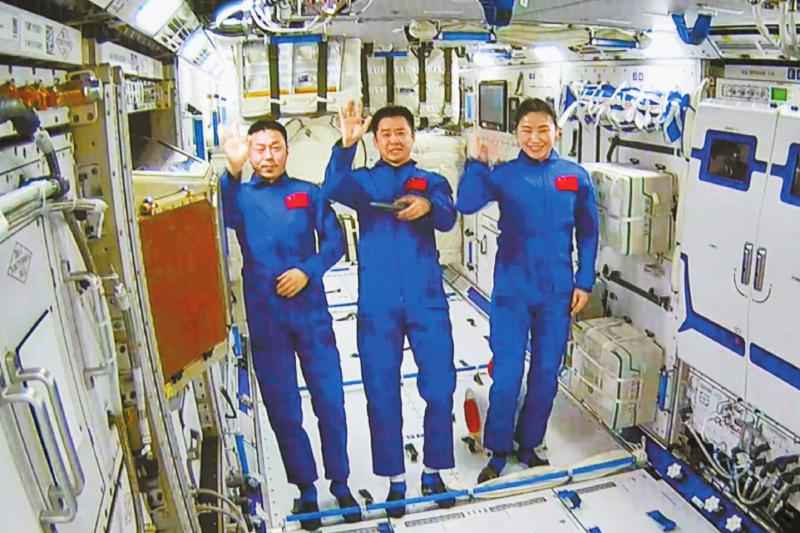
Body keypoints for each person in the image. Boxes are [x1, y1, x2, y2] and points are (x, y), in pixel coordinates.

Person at [220, 120, 360, 529]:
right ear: (250, 152)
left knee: (330, 400)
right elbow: (224, 213)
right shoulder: (240, 196)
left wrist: (307, 271)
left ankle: (341, 483)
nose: (268, 156)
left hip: (311, 314)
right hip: (266, 319)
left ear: (287, 150)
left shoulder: (308, 193)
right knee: (283, 408)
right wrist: (232, 170)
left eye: (275, 147)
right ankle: (306, 489)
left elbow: (335, 242)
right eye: (259, 148)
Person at [322, 101, 457, 517]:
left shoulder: (431, 181)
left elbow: (448, 217)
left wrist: (428, 206)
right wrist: (346, 145)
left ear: (412, 137)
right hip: (377, 304)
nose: (394, 140)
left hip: (426, 299)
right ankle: (396, 480)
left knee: (440, 386)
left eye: (401, 133)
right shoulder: (364, 182)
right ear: (376, 140)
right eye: (386, 134)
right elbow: (331, 187)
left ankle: (433, 472)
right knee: (381, 392)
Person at [456, 98, 600, 483]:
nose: (535, 138)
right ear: (516, 135)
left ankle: (529, 444)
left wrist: (585, 280)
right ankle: (498, 449)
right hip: (512, 290)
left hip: (557, 291)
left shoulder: (575, 176)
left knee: (546, 374)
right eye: (526, 131)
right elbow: (465, 203)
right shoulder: (504, 175)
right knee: (507, 373)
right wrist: (476, 164)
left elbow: (589, 232)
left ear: (557, 132)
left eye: (542, 130)